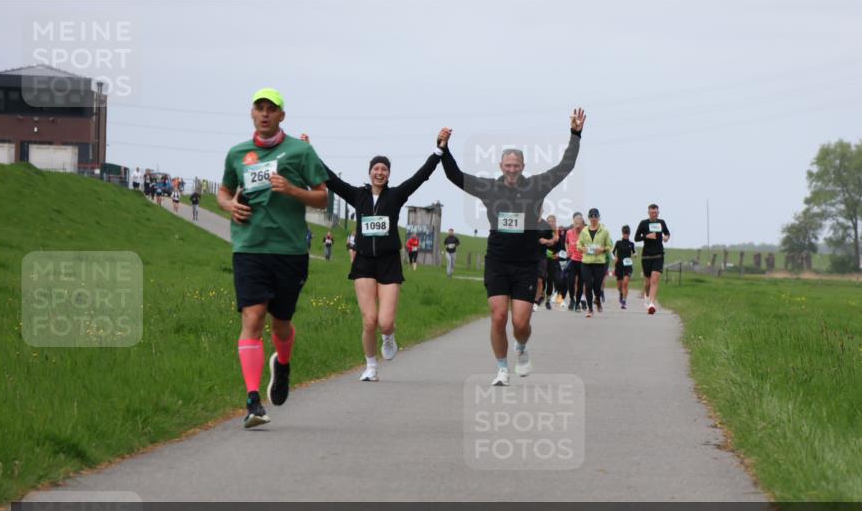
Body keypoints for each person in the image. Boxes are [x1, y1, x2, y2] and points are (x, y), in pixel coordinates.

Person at [441, 108, 586, 386]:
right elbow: (455, 176)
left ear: (522, 166)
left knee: (520, 324)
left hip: (526, 264)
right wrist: (444, 150)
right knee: (497, 317)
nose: (511, 169)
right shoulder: (488, 188)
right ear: (500, 166)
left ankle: (521, 348)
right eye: (507, 165)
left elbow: (565, 166)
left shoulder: (535, 186)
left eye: (516, 165)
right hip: (497, 261)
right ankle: (501, 369)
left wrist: (575, 134)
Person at [217, 87, 329, 427]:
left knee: (280, 323)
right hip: (249, 247)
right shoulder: (238, 153)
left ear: (282, 116)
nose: (265, 114)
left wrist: (293, 191)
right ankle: (253, 401)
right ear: (252, 114)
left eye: (271, 109)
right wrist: (228, 205)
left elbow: (323, 198)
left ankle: (282, 364)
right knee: (253, 318)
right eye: (259, 108)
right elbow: (223, 190)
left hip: (290, 250)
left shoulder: (300, 151)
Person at [305, 129, 448, 381]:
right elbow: (329, 179)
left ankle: (389, 336)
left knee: (385, 322)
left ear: (388, 174)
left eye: (384, 169)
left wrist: (438, 150)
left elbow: (421, 176)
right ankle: (371, 366)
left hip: (389, 262)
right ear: (370, 172)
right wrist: (309, 150)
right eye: (376, 168)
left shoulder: (396, 195)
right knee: (369, 320)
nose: (379, 172)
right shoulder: (357, 195)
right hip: (363, 262)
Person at [634, 203, 671, 315]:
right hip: (646, 256)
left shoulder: (662, 222)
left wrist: (666, 237)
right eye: (652, 212)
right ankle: (647, 295)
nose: (654, 214)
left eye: (656, 212)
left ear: (658, 213)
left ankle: (651, 304)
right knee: (648, 282)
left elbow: (667, 233)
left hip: (658, 255)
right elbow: (636, 238)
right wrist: (646, 236)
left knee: (655, 278)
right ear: (648, 213)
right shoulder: (644, 223)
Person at [577, 208, 613, 318]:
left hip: (599, 262)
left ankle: (597, 298)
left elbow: (610, 246)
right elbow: (579, 245)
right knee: (588, 285)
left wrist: (602, 249)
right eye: (591, 216)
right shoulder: (584, 231)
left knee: (597, 286)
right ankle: (590, 309)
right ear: (588, 218)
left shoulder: (605, 231)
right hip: (586, 262)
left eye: (595, 216)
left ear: (598, 217)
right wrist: (583, 249)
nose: (593, 218)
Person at [535, 214, 560, 311]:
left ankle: (548, 300)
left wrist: (556, 253)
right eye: (549, 221)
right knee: (542, 279)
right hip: (543, 257)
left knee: (550, 280)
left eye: (552, 221)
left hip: (553, 259)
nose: (551, 223)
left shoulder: (558, 234)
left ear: (555, 222)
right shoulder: (544, 230)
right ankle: (541, 296)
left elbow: (560, 248)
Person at [565, 213, 586, 312]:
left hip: (582, 261)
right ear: (573, 223)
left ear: (582, 224)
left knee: (580, 283)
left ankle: (577, 303)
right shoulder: (569, 232)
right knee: (571, 281)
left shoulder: (586, 233)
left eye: (579, 223)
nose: (577, 225)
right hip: (572, 260)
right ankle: (572, 299)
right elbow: (566, 242)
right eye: (575, 223)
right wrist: (567, 250)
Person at [613, 224, 636, 309]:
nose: (626, 234)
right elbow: (612, 252)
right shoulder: (618, 243)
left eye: (627, 233)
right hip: (619, 265)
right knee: (619, 285)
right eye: (624, 232)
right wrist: (615, 257)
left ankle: (624, 301)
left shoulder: (631, 244)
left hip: (628, 265)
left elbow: (634, 252)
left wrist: (635, 255)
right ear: (622, 233)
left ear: (629, 233)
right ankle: (621, 293)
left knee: (625, 283)